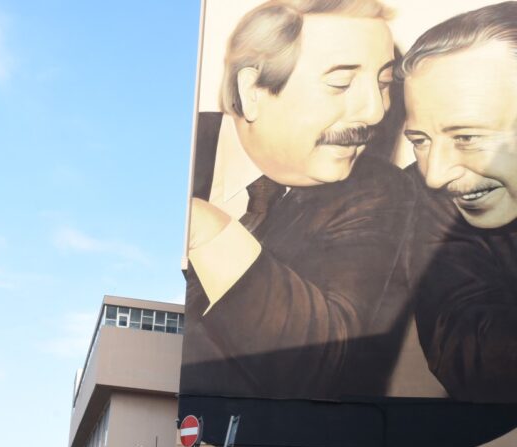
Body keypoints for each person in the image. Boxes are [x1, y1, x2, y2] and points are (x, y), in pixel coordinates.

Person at [181, 0, 413, 401]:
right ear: (251, 90)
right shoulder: (171, 149)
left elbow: (320, 362)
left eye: (383, 83)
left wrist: (207, 229)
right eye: (341, 83)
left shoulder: (379, 193)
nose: (376, 112)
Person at [400, 2, 517, 402]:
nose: (436, 174)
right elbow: (469, 352)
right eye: (420, 141)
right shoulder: (432, 201)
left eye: (466, 137)